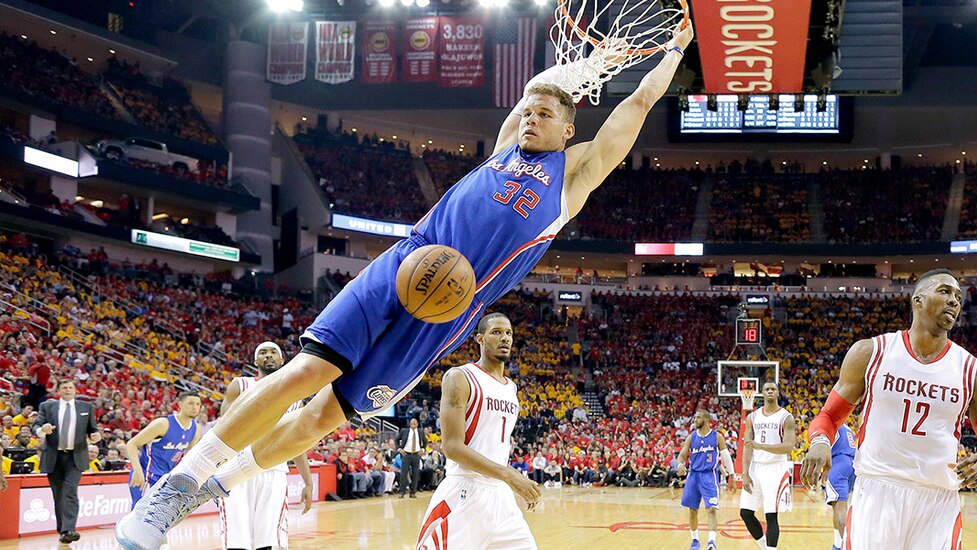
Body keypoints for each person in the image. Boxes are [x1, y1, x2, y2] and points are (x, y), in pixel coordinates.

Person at [117, 21, 696, 550]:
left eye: (544, 115)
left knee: (323, 418)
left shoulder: (572, 180)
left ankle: (218, 483)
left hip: (447, 313)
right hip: (404, 263)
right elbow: (537, 86)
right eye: (527, 110)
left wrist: (671, 51)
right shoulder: (499, 152)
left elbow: (641, 102)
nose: (530, 118)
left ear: (569, 130)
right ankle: (177, 485)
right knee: (306, 371)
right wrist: (578, 69)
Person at [801, 269, 977, 549]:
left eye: (958, 297)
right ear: (918, 299)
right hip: (877, 492)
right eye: (944, 291)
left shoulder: (974, 373)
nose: (954, 301)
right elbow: (829, 416)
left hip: (938, 501)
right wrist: (819, 442)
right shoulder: (871, 353)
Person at [416, 313, 537, 549]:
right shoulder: (460, 377)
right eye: (496, 332)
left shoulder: (511, 388)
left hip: (501, 498)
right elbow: (451, 447)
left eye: (509, 333)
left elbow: (492, 445)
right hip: (465, 491)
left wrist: (510, 478)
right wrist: (508, 475)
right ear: (480, 339)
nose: (505, 338)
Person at [218, 342, 313, 550]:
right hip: (236, 470)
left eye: (273, 352)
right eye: (262, 352)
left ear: (281, 360)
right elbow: (221, 430)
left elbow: (298, 442)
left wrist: (308, 482)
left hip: (273, 469)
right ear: (255, 360)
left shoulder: (295, 399)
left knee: (268, 540)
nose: (268, 355)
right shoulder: (240, 385)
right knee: (236, 539)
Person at [33, 379, 101, 544]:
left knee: (70, 491)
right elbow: (36, 426)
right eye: (64, 387)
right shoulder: (47, 407)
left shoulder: (86, 407)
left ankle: (69, 529)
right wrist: (42, 430)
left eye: (71, 387)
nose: (68, 390)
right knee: (58, 494)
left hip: (75, 456)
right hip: (53, 456)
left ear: (75, 390)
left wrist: (95, 435)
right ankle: (63, 530)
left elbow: (93, 429)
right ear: (59, 391)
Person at [739, 382, 796, 550]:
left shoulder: (786, 417)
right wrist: (745, 473)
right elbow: (748, 447)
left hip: (776, 468)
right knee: (746, 513)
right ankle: (764, 546)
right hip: (755, 468)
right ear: (762, 393)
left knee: (771, 516)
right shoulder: (753, 417)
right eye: (767, 389)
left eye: (773, 389)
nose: (770, 391)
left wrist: (760, 446)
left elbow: (788, 447)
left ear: (778, 393)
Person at [125, 391, 203, 508]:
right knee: (141, 515)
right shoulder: (163, 424)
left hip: (167, 478)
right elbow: (132, 444)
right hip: (147, 475)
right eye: (191, 403)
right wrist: (137, 470)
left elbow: (188, 457)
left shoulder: (196, 429)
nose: (195, 407)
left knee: (160, 518)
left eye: (198, 404)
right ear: (180, 404)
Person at [676, 410, 735, 550]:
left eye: (698, 417)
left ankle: (711, 542)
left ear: (707, 419)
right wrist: (680, 465)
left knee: (712, 509)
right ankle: (695, 540)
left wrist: (731, 475)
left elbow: (726, 457)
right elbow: (682, 455)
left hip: (709, 475)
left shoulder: (717, 436)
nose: (695, 420)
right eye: (694, 417)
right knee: (692, 510)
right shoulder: (691, 437)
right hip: (693, 476)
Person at [823, 423, 857, 550]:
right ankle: (837, 545)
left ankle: (847, 546)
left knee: (840, 511)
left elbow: (824, 447)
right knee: (841, 507)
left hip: (838, 463)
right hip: (852, 464)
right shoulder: (848, 428)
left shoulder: (831, 423)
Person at [397, 417, 425, 498]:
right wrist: (399, 449)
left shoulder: (420, 431)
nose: (413, 425)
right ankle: (402, 492)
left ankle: (413, 492)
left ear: (417, 424)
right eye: (412, 423)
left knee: (416, 474)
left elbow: (425, 442)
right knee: (403, 473)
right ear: (410, 424)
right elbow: (396, 439)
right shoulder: (404, 431)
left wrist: (422, 449)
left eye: (415, 423)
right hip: (406, 454)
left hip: (416, 454)